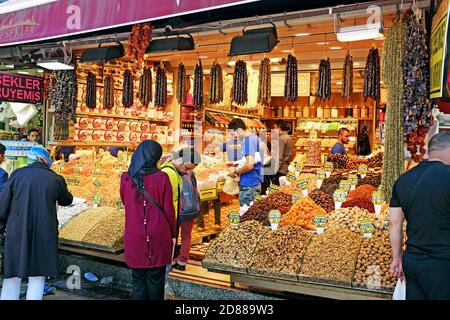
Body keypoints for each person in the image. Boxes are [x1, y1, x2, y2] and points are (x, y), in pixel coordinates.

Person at [0, 146, 73, 300]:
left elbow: (3, 204)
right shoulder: (55, 178)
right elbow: (67, 200)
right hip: (44, 232)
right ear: (45, 160)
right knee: (38, 274)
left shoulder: (17, 174)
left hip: (16, 230)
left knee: (12, 271)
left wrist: (2, 226)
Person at [389, 132, 450, 300]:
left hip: (412, 261)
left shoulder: (404, 179)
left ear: (431, 151)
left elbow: (394, 223)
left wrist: (397, 258)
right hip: (443, 263)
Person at [120, 140, 176, 300]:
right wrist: (173, 235)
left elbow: (126, 202)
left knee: (138, 281)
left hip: (134, 236)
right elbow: (169, 211)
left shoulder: (125, 178)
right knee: (155, 282)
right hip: (159, 235)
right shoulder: (162, 178)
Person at [161, 147, 201, 272]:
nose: (188, 171)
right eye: (187, 167)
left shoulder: (172, 170)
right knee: (182, 236)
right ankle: (180, 261)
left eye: (191, 169)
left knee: (180, 235)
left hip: (183, 210)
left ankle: (179, 260)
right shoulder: (170, 172)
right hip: (186, 209)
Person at [227, 118, 263, 206]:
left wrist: (235, 172)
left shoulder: (249, 142)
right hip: (255, 182)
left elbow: (249, 165)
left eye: (234, 134)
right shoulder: (254, 138)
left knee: (245, 214)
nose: (234, 137)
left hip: (249, 185)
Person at [272, 120, 295, 185]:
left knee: (277, 191)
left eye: (275, 127)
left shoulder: (281, 139)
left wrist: (274, 171)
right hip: (286, 167)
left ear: (279, 128)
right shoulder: (289, 137)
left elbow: (279, 157)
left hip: (281, 169)